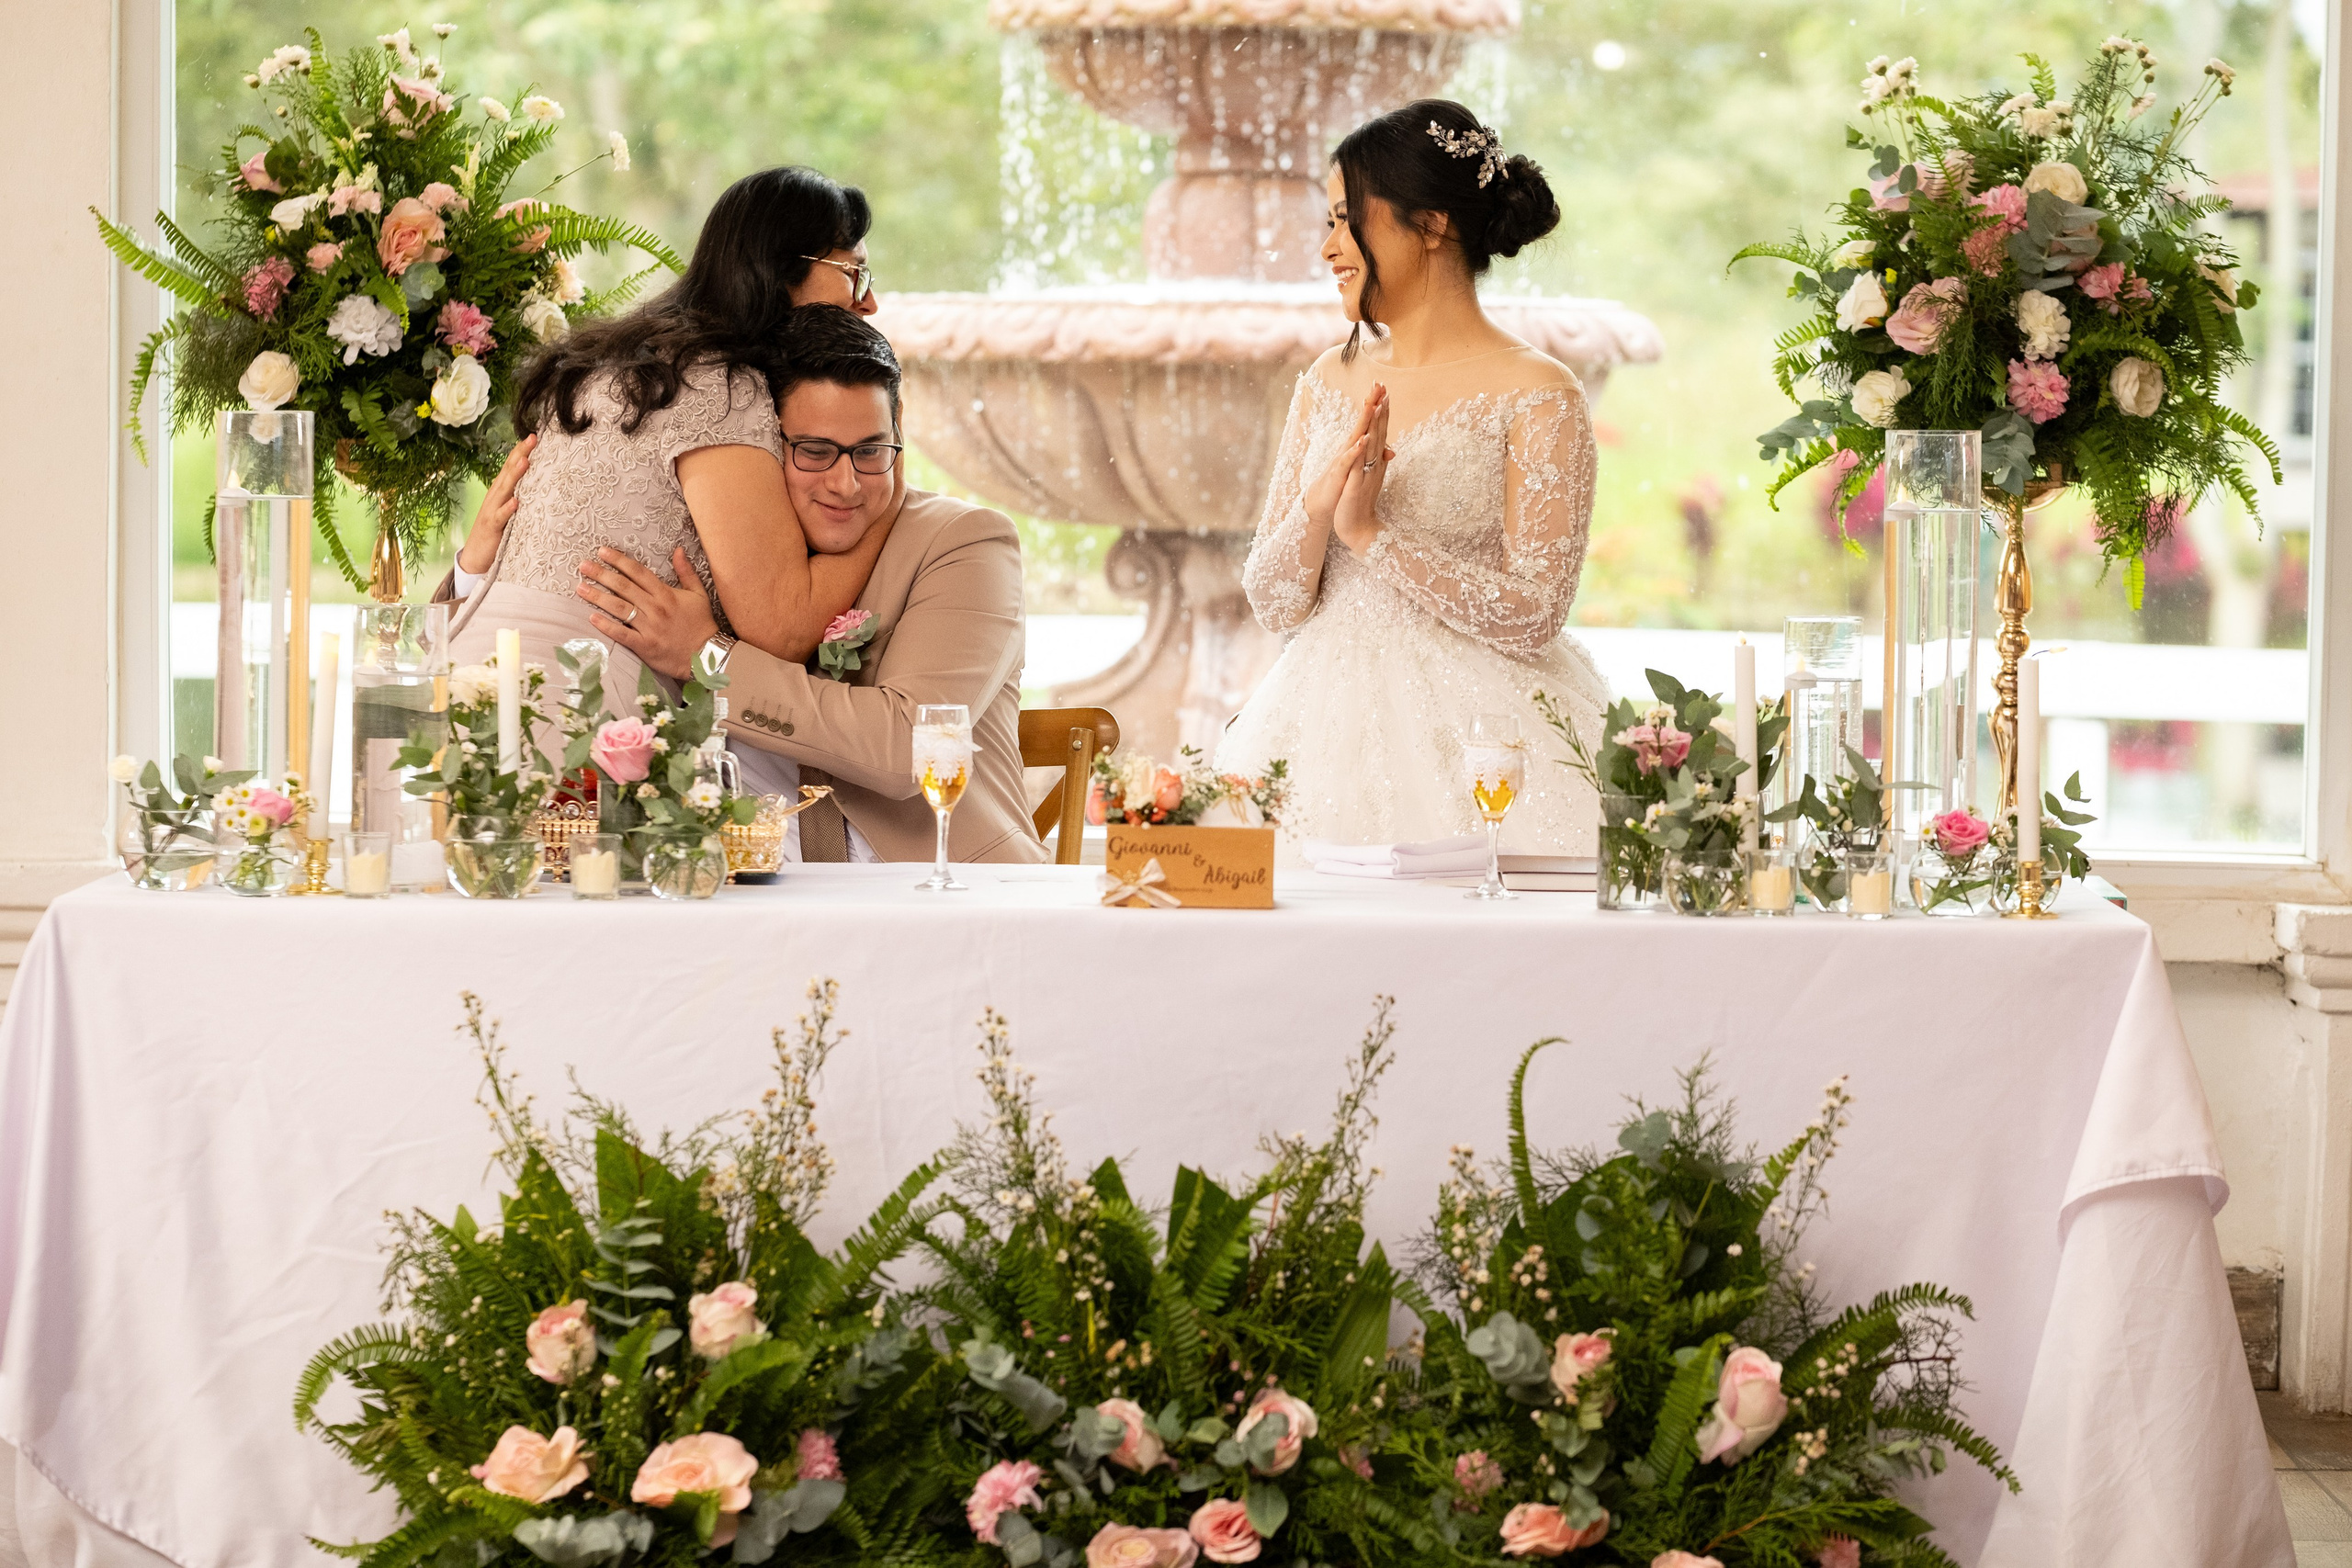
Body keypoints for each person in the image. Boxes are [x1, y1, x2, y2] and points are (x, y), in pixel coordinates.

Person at [473, 306, 1045, 864]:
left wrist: (708, 658)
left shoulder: (966, 543)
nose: (846, 484)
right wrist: (476, 566)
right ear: (767, 447)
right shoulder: (721, 546)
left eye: (871, 451)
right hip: (743, 880)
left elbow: (912, 749)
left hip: (938, 890)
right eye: (815, 452)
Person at [1216, 98, 1610, 855]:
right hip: (1314, 727)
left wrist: (1371, 536)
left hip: (1488, 742)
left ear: (1431, 225)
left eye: (1345, 219)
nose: (1329, 247)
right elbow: (1272, 599)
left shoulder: (1539, 391)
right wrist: (1318, 506)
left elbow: (1536, 613)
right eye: (1327, 223)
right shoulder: (1330, 378)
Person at [442, 164, 889, 705]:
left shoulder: (613, 364)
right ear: (781, 267)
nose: (869, 304)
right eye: (854, 273)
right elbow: (783, 628)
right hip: (578, 702)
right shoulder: (718, 386)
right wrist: (890, 481)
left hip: (469, 674)